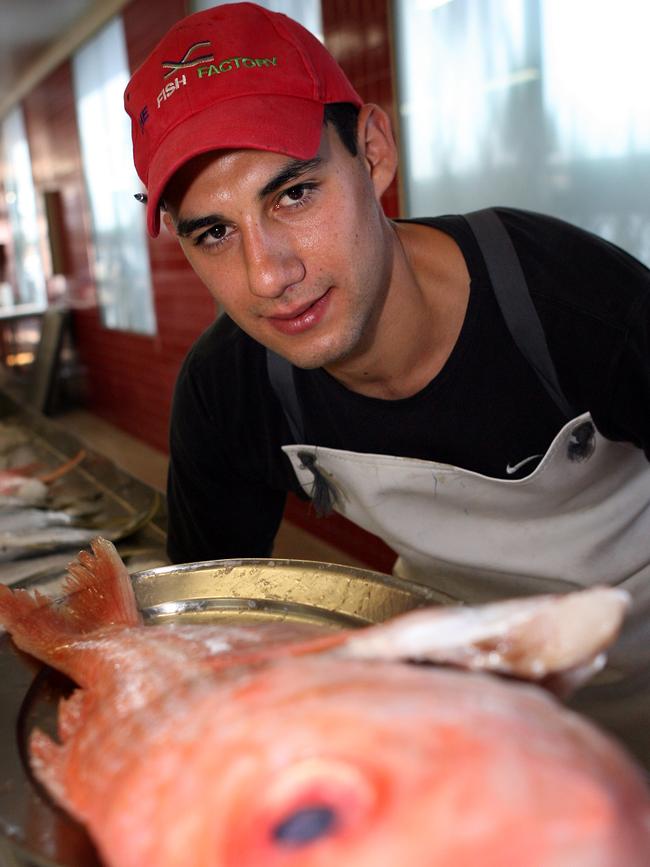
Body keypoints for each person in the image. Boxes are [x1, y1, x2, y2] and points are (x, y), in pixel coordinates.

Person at [124, 2, 650, 766]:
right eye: (215, 232)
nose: (270, 276)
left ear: (372, 152)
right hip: (470, 701)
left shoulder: (570, 299)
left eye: (294, 193)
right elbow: (209, 634)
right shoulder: (229, 392)